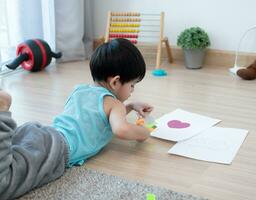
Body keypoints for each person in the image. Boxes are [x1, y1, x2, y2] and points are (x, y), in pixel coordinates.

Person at [0, 38, 153, 200]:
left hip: (40, 133)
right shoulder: (114, 105)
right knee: (6, 182)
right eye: (132, 85)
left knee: (9, 159)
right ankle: (2, 109)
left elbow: (100, 116)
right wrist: (144, 132)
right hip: (56, 148)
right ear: (115, 82)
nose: (132, 91)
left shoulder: (80, 90)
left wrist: (130, 106)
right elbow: (121, 129)